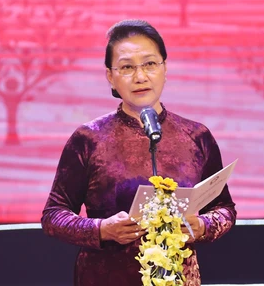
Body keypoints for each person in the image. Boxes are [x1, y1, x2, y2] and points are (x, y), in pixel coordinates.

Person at [41, 19, 236, 286]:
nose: (140, 76)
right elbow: (54, 216)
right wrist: (101, 229)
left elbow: (224, 209)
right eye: (127, 67)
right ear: (110, 76)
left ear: (165, 68)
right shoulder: (89, 139)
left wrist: (201, 227)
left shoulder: (196, 137)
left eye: (150, 64)